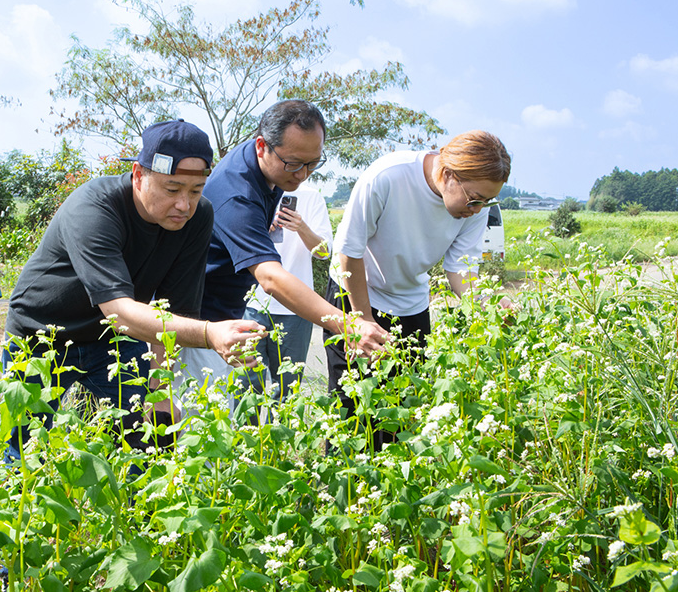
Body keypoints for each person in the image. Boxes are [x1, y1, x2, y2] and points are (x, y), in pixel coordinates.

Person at [4, 119, 261, 452]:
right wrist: (210, 334)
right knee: (25, 449)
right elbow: (119, 312)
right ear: (139, 175)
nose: (184, 204)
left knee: (148, 440)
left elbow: (175, 308)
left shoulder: (197, 217)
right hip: (44, 336)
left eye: (196, 191)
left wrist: (161, 390)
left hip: (114, 340)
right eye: (172, 189)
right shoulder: (95, 207)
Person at [180, 100, 389, 399]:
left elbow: (321, 251)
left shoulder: (273, 170)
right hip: (198, 324)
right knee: (202, 416)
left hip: (224, 314)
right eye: (294, 163)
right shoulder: (236, 194)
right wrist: (348, 325)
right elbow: (270, 278)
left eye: (313, 163)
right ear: (262, 146)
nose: (302, 174)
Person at [327, 129, 512, 447]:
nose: (477, 209)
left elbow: (461, 269)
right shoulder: (388, 176)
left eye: (486, 202)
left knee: (403, 415)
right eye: (474, 199)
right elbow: (349, 251)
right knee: (352, 413)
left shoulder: (474, 206)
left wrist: (488, 306)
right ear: (449, 174)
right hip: (354, 294)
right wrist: (362, 320)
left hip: (410, 305)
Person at [242, 182, 332, 401]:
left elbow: (324, 252)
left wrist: (301, 227)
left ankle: (281, 426)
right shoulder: (251, 190)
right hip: (251, 303)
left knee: (287, 390)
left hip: (295, 309)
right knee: (247, 388)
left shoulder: (311, 196)